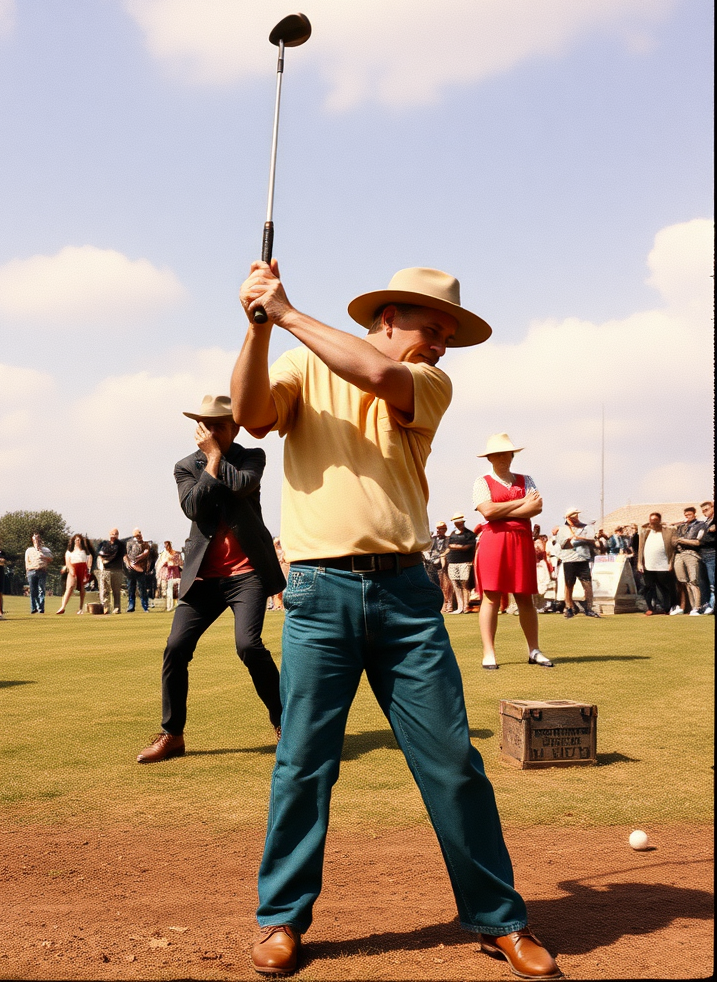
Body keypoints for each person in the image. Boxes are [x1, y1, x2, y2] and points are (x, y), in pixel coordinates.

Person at [232, 263, 559, 979]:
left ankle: (498, 919)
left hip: (408, 597)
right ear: (386, 318)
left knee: (452, 764)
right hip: (318, 593)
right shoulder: (295, 358)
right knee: (303, 765)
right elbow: (253, 416)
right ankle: (281, 919)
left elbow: (380, 380)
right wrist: (257, 329)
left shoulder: (428, 381)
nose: (441, 345)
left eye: (447, 335)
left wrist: (283, 311)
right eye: (431, 330)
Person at [137, 395, 285, 765]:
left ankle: (285, 723)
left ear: (235, 427)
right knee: (175, 649)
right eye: (207, 424)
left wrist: (216, 457)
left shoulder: (253, 457)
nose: (211, 430)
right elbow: (194, 507)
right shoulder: (185, 466)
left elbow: (240, 486)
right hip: (203, 578)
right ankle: (173, 735)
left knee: (249, 647)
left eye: (220, 424)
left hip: (246, 574)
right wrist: (211, 459)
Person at [473, 433, 554, 668]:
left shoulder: (526, 479)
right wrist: (521, 503)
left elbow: (536, 506)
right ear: (489, 458)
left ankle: (534, 650)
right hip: (494, 542)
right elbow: (487, 512)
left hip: (521, 541)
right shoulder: (482, 482)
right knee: (491, 596)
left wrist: (502, 509)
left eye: (506, 453)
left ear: (512, 455)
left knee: (525, 596)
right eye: (497, 454)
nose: (502, 458)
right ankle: (489, 653)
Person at [555, 507, 601, 619]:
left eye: (576, 515)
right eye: (572, 516)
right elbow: (564, 544)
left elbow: (593, 542)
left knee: (587, 584)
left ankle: (589, 608)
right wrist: (576, 541)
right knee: (569, 584)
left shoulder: (585, 527)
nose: (575, 518)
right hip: (569, 559)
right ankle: (569, 607)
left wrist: (580, 539)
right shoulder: (563, 529)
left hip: (583, 559)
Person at [638, 512, 676, 615]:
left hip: (663, 565)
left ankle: (667, 608)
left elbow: (672, 549)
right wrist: (639, 563)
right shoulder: (645, 532)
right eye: (651, 520)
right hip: (648, 565)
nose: (653, 522)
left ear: (659, 521)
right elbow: (640, 548)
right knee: (648, 587)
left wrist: (671, 563)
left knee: (664, 588)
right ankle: (650, 608)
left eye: (655, 520)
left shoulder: (668, 532)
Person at [671, 506, 705, 615]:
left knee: (693, 581)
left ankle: (697, 606)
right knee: (683, 581)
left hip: (692, 554)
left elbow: (698, 542)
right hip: (679, 555)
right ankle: (691, 607)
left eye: (689, 515)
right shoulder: (681, 526)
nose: (687, 517)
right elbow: (673, 540)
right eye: (686, 515)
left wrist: (682, 540)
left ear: (694, 514)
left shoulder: (701, 525)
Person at [446, 513, 477, 614]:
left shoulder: (469, 534)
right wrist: (458, 546)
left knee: (465, 584)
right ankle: (460, 607)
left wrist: (457, 546)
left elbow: (468, 547)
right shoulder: (452, 534)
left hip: (465, 562)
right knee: (455, 584)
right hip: (453, 561)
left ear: (463, 522)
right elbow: (449, 545)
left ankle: (466, 606)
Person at [56, 533, 91, 614]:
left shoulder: (85, 551)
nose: (77, 541)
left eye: (78, 540)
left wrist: (88, 570)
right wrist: (71, 570)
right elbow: (68, 562)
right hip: (73, 568)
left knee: (82, 588)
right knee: (70, 587)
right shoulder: (69, 552)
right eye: (76, 540)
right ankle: (63, 607)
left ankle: (80, 608)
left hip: (82, 569)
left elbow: (89, 560)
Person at [96, 529, 125, 614]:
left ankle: (117, 608)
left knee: (116, 590)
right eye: (112, 534)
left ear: (118, 535)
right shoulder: (104, 544)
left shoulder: (121, 545)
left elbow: (124, 556)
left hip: (117, 570)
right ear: (109, 534)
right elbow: (100, 555)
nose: (114, 535)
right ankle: (105, 607)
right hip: (106, 570)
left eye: (115, 534)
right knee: (104, 590)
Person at [425, 521, 452, 611]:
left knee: (446, 584)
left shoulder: (448, 539)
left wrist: (442, 555)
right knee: (435, 584)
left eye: (441, 529)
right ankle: (439, 604)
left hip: (443, 563)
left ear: (445, 529)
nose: (439, 530)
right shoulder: (433, 539)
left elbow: (449, 549)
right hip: (432, 563)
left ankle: (448, 603)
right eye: (438, 529)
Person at [24, 531, 53, 613]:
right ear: (32, 540)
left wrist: (45, 557)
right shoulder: (29, 550)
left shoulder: (45, 550)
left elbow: (51, 559)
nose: (37, 541)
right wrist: (27, 571)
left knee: (41, 590)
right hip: (31, 571)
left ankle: (41, 608)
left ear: (40, 540)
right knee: (33, 591)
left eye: (38, 539)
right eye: (35, 539)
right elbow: (27, 561)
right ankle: (34, 608)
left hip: (42, 571)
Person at [125, 528, 152, 612]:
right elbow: (126, 555)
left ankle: (145, 606)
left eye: (140, 534)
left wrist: (143, 558)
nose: (139, 536)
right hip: (131, 569)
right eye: (137, 535)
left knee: (142, 588)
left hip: (141, 568)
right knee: (131, 587)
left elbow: (147, 554)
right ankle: (131, 605)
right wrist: (127, 563)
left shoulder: (145, 544)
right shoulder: (129, 543)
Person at [697, 500, 715, 614]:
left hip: (712, 553)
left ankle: (713, 606)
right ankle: (706, 605)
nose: (705, 512)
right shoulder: (706, 522)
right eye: (703, 511)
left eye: (707, 509)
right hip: (702, 553)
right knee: (703, 582)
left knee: (712, 582)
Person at [157, 540, 183, 612]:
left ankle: (177, 605)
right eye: (165, 546)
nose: (166, 547)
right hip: (168, 574)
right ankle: (169, 606)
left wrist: (175, 562)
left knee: (177, 590)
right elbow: (162, 563)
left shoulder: (176, 554)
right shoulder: (164, 554)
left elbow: (180, 562)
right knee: (169, 591)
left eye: (167, 545)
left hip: (175, 573)